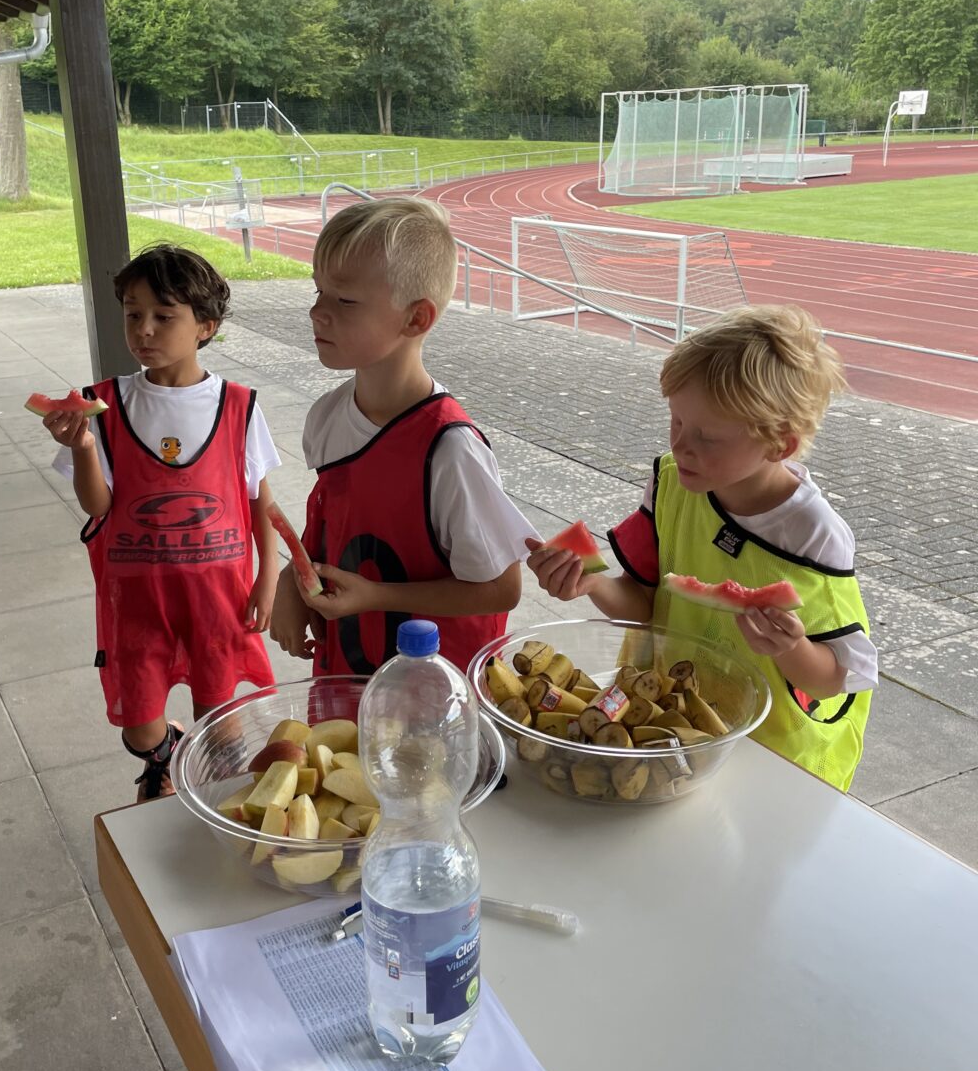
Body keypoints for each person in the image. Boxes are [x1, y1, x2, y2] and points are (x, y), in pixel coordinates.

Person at [527, 305, 876, 791]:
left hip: (770, 753)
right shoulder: (670, 480)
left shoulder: (812, 532)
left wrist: (791, 647)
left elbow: (837, 678)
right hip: (664, 719)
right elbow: (645, 601)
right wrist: (593, 582)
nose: (682, 447)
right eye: (676, 422)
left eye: (707, 437)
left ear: (780, 445)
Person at [45, 244, 279, 802]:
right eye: (132, 313)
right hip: (136, 598)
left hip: (217, 598)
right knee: (140, 725)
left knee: (221, 719)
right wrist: (81, 447)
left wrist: (268, 578)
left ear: (205, 326)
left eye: (163, 316)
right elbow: (98, 507)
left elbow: (261, 505)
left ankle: (216, 799)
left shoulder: (239, 405)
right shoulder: (103, 404)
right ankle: (166, 754)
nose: (143, 330)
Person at [269, 197, 533, 678]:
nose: (317, 312)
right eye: (318, 291)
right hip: (347, 679)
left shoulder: (450, 449)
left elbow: (501, 588)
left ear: (416, 319)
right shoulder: (326, 418)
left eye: (344, 300)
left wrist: (378, 597)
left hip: (435, 701)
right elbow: (335, 529)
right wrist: (292, 578)